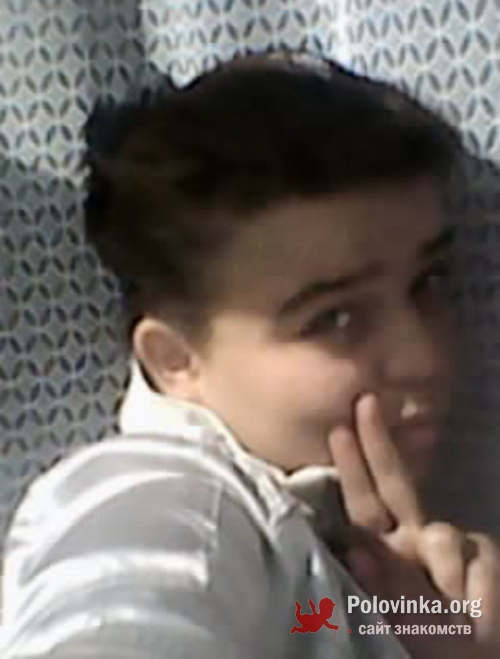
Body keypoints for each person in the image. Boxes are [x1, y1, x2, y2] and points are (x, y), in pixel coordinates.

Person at [1, 50, 499, 658]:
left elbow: (311, 620)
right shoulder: (162, 504)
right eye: (334, 318)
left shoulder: (332, 548)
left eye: (429, 283)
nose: (422, 357)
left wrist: (438, 640)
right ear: (175, 360)